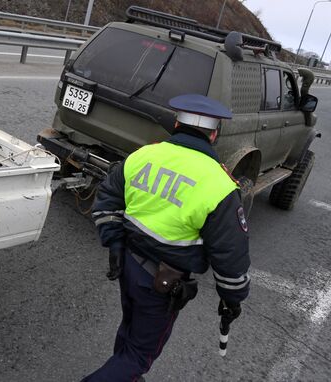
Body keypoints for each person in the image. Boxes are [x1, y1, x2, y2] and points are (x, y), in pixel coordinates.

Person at [82, 94, 251, 382]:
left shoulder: (143, 155)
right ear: (214, 134)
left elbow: (107, 198)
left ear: (176, 124)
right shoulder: (219, 184)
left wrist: (114, 244)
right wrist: (232, 299)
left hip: (127, 265)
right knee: (139, 355)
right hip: (162, 283)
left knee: (130, 329)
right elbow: (230, 255)